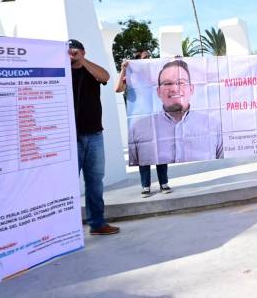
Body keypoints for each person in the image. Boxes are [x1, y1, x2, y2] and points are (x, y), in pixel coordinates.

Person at [129, 59, 223, 166]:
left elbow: (223, 164)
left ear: (191, 89)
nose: (174, 88)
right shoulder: (138, 128)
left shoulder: (214, 125)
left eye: (181, 82)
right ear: (158, 91)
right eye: (167, 83)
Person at [69, 39, 119, 235]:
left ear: (83, 52)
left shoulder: (91, 72)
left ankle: (97, 223)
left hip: (94, 135)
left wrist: (83, 61)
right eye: (69, 52)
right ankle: (68, 228)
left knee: (95, 181)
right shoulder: (60, 72)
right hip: (70, 138)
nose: (71, 55)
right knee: (68, 183)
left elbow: (105, 76)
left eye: (75, 51)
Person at [116, 51, 172, 198]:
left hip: (158, 118)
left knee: (161, 151)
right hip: (139, 120)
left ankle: (164, 183)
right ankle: (145, 186)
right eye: (145, 58)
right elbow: (118, 89)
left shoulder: (156, 75)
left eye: (149, 57)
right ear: (138, 61)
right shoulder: (131, 76)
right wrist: (123, 69)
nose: (148, 59)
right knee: (143, 153)